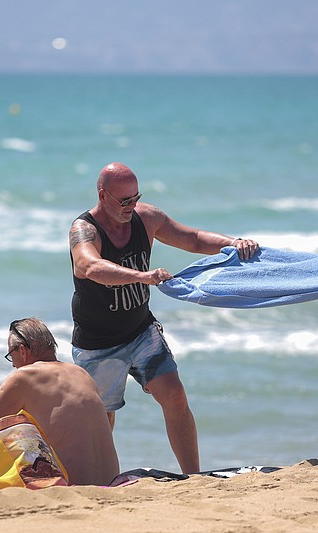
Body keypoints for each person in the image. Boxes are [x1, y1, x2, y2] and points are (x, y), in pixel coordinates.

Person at [68, 162, 259, 474]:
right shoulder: (84, 230)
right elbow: (89, 267)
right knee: (102, 421)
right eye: (124, 201)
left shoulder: (146, 217)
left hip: (141, 331)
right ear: (103, 196)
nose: (132, 206)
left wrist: (233, 243)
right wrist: (142, 276)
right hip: (98, 344)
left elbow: (194, 238)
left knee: (175, 395)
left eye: (135, 197)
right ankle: (100, 481)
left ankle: (193, 476)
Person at [0, 317, 120, 489]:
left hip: (67, 488)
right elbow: (54, 423)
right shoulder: (80, 374)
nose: (13, 365)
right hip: (108, 482)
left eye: (11, 355)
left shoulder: (24, 377)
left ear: (23, 350)